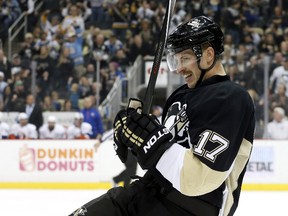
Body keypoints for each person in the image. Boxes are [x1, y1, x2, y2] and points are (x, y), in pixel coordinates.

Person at [69, 16, 255, 216]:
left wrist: (152, 142)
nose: (179, 68)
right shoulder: (180, 95)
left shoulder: (230, 98)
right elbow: (161, 154)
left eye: (185, 58)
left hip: (190, 208)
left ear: (208, 55)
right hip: (147, 194)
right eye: (176, 60)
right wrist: (135, 132)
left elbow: (197, 179)